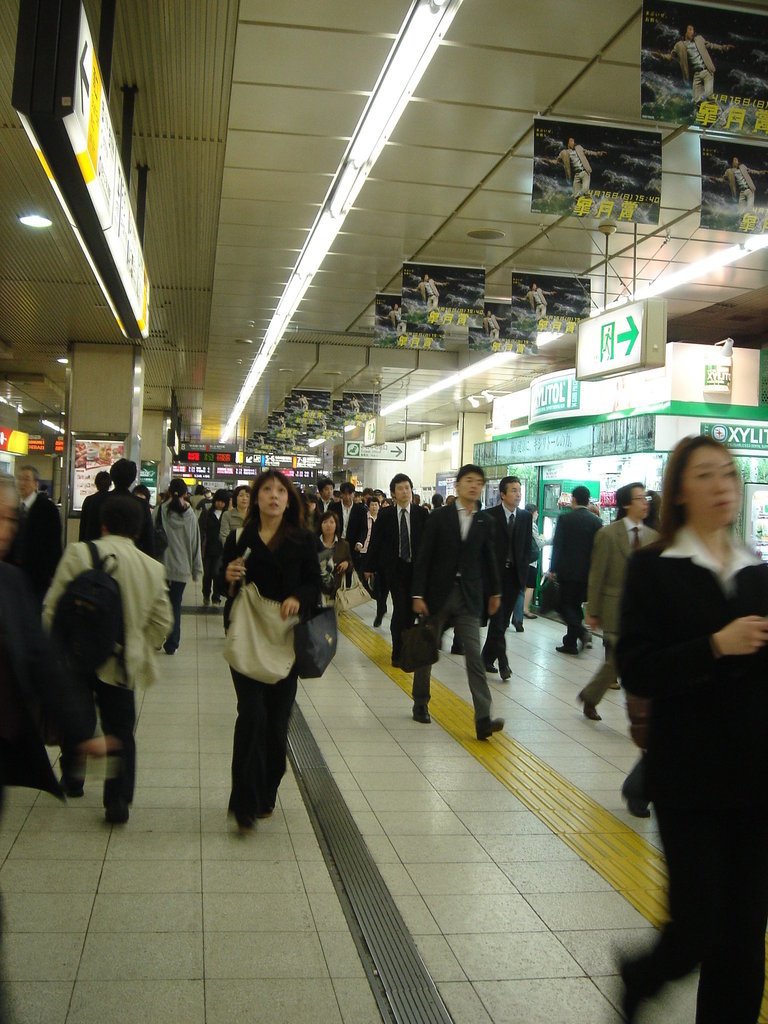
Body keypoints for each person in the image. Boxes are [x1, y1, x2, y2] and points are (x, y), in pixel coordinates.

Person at [616, 435, 768, 1024]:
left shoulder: (757, 568)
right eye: (706, 475)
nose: (722, 484)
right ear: (679, 489)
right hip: (688, 777)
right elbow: (637, 666)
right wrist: (713, 646)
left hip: (756, 778)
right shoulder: (654, 568)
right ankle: (642, 974)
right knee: (698, 925)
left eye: (728, 474)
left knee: (745, 932)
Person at [43, 495, 173, 823]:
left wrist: (53, 648)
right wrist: (142, 645)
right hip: (121, 661)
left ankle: (73, 778)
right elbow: (162, 623)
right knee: (120, 727)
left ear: (103, 524)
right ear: (138, 529)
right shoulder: (152, 568)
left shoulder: (79, 553)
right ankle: (117, 802)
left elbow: (53, 607)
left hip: (76, 657)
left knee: (78, 717)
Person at [222, 471, 320, 831]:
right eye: (267, 490)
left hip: (284, 640)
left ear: (288, 499)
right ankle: (243, 800)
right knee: (251, 715)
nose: (273, 496)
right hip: (248, 636)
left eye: (281, 491)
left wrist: (298, 597)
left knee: (277, 725)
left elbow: (316, 584)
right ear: (255, 497)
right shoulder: (240, 538)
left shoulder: (302, 539)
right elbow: (223, 582)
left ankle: (266, 790)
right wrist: (228, 576)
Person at [411, 465, 503, 738]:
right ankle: (420, 702)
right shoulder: (439, 518)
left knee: (474, 656)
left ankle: (483, 718)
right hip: (438, 595)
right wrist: (418, 594)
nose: (474, 486)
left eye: (479, 482)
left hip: (468, 597)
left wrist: (495, 592)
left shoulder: (486, 522)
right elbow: (424, 557)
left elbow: (490, 560)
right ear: (459, 485)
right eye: (469, 481)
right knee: (427, 650)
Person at [580, 483, 658, 722]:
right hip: (614, 609)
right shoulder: (608, 534)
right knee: (620, 658)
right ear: (626, 504)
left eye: (645, 498)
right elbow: (597, 575)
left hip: (643, 610)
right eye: (639, 498)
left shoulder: (654, 538)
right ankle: (636, 709)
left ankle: (591, 696)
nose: (645, 502)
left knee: (623, 659)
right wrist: (592, 611)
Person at [365, 473, 429, 669]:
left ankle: (408, 649)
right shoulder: (385, 515)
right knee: (400, 609)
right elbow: (375, 541)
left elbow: (428, 544)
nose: (405, 491)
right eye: (400, 488)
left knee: (410, 612)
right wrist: (369, 566)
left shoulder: (421, 514)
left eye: (408, 488)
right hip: (394, 569)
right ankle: (397, 651)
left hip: (416, 570)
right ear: (393, 493)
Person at [481, 476, 533, 680]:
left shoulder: (525, 517)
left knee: (500, 622)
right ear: (502, 494)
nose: (518, 494)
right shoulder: (489, 516)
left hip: (514, 577)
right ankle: (503, 663)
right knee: (498, 619)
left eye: (519, 490)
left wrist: (523, 574)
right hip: (495, 576)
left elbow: (527, 547)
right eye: (513, 490)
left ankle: (486, 658)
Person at [549, 486, 602, 655]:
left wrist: (553, 568)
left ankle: (581, 632)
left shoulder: (565, 519)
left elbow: (558, 546)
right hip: (587, 573)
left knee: (562, 604)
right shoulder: (596, 522)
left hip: (567, 571)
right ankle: (570, 643)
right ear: (588, 500)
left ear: (574, 499)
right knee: (576, 606)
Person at [158, 479, 202, 655]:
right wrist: (197, 569)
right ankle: (172, 643)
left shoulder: (161, 510)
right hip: (182, 568)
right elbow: (195, 542)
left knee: (161, 604)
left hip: (161, 566)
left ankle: (157, 637)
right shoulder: (190, 514)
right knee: (175, 604)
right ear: (185, 493)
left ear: (169, 491)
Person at [10, 464, 62, 605]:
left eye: (26, 479)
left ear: (36, 484)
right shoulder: (12, 507)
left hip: (38, 574)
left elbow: (54, 543)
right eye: (19, 479)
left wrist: (53, 572)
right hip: (13, 573)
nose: (22, 483)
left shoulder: (47, 509)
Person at [658, 24, 733, 106]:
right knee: (697, 101)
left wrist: (723, 47)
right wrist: (661, 56)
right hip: (696, 75)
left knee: (709, 96)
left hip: (707, 71)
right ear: (685, 32)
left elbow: (711, 45)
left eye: (693, 30)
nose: (692, 32)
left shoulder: (699, 39)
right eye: (690, 30)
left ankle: (718, 114)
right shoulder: (679, 45)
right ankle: (701, 115)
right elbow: (670, 57)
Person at [110, 458, 154, 557]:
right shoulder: (142, 504)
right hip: (132, 559)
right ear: (133, 479)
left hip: (99, 562)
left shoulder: (95, 500)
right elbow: (148, 541)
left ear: (112, 475)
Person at [356, 497, 387, 625]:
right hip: (369, 553)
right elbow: (362, 533)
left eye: (376, 504)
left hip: (385, 558)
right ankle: (380, 609)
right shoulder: (364, 517)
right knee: (380, 587)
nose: (374, 507)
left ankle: (382, 608)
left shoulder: (384, 518)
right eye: (372, 504)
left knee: (385, 588)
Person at [199, 489, 229, 606]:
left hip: (221, 550)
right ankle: (206, 594)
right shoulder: (207, 513)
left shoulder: (226, 515)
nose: (220, 504)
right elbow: (200, 529)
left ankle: (216, 597)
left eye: (223, 502)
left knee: (217, 573)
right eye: (218, 501)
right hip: (207, 548)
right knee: (207, 574)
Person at [316, 511, 351, 599]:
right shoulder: (312, 543)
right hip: (316, 590)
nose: (328, 525)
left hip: (335, 591)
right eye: (325, 522)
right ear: (320, 525)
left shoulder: (343, 544)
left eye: (332, 522)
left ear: (336, 525)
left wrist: (347, 564)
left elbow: (350, 562)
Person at [329, 481, 368, 556]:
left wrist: (360, 542)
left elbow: (364, 528)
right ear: (341, 494)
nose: (347, 497)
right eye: (344, 494)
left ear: (353, 494)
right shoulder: (333, 507)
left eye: (350, 494)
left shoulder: (361, 510)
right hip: (336, 543)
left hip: (353, 545)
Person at [521, 503, 543, 619]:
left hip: (522, 559)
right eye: (537, 512)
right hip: (531, 559)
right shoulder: (532, 524)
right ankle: (525, 609)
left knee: (523, 586)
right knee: (530, 585)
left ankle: (519, 610)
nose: (538, 514)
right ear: (533, 513)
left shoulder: (520, 522)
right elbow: (539, 543)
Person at [79, 470, 112, 541]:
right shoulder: (113, 500)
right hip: (107, 542)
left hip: (91, 541)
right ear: (110, 484)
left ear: (96, 483)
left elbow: (83, 526)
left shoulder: (89, 500)